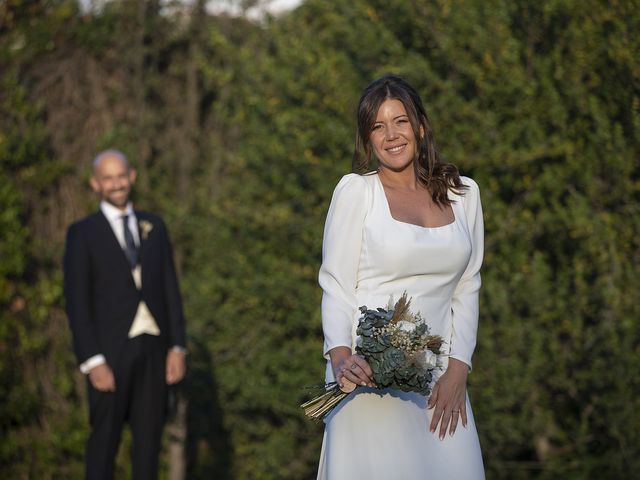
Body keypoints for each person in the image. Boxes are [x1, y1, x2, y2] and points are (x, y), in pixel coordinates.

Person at [316, 75, 485, 479]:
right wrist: (342, 361)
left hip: (441, 378)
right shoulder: (357, 192)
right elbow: (336, 285)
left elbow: (469, 284)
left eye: (400, 121)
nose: (391, 135)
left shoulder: (464, 195)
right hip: (366, 375)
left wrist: (459, 368)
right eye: (378, 126)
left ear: (420, 126)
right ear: (367, 138)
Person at [64, 149, 187, 480]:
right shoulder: (82, 233)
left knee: (148, 447)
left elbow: (169, 289)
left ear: (131, 176)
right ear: (95, 184)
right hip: (109, 354)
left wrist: (177, 347)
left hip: (154, 351)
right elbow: (77, 302)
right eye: (108, 178)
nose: (116, 183)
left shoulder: (154, 226)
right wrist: (92, 360)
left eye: (121, 176)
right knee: (104, 445)